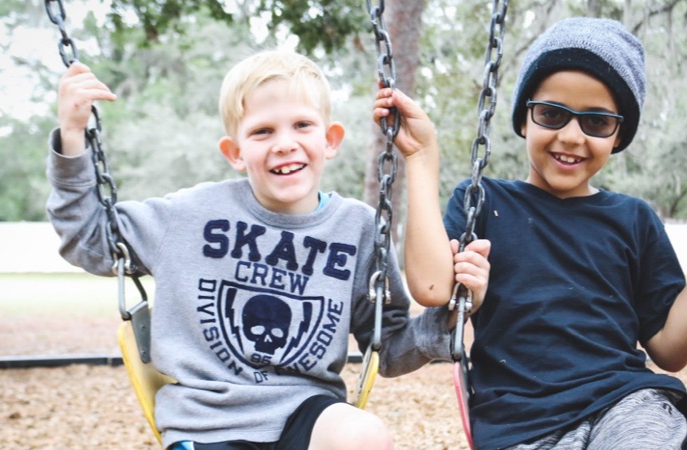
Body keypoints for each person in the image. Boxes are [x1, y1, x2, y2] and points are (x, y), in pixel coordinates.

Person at [46, 49, 491, 450]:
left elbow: (389, 347)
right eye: (262, 131)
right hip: (208, 421)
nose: (284, 143)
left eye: (302, 125)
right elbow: (89, 239)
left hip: (305, 412)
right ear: (235, 152)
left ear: (330, 140)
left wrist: (451, 313)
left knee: (365, 434)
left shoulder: (357, 228)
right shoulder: (191, 214)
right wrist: (71, 136)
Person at [374, 17, 687, 450]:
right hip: (519, 420)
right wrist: (419, 157)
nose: (571, 137)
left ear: (618, 133)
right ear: (525, 118)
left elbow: (670, 349)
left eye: (597, 122)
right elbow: (433, 288)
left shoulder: (633, 219)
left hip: (626, 404)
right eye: (551, 114)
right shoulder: (485, 202)